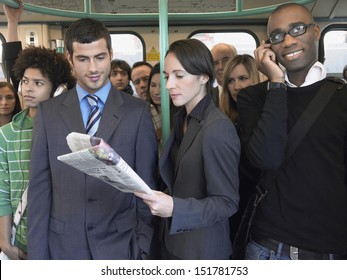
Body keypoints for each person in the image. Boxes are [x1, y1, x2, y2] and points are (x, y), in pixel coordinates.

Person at [27, 18, 158, 260]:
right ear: (69, 58)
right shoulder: (49, 113)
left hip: (122, 246)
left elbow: (147, 187)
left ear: (110, 54)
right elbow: (39, 191)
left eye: (99, 57)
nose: (93, 69)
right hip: (64, 246)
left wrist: (143, 249)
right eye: (83, 59)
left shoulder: (138, 112)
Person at [237, 3, 347, 260]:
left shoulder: (342, 97)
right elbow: (267, 157)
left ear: (316, 32)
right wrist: (275, 82)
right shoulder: (253, 98)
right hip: (268, 247)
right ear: (267, 47)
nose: (287, 41)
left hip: (330, 249)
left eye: (297, 29)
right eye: (277, 36)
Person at [135, 38, 240, 260]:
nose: (168, 85)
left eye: (179, 76)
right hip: (173, 242)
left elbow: (226, 203)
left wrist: (174, 208)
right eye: (166, 76)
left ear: (204, 77)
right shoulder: (182, 117)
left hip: (201, 250)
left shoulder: (217, 128)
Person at [0, 46, 76, 260]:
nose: (28, 89)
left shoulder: (69, 132)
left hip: (60, 239)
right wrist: (5, 243)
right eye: (25, 81)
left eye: (38, 83)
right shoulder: (6, 135)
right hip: (21, 237)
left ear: (58, 90)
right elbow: (2, 191)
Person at [219, 54, 261, 245]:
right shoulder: (227, 120)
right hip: (232, 203)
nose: (236, 87)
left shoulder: (265, 118)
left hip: (256, 206)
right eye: (231, 81)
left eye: (243, 78)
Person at [210, 43, 237, 107]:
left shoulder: (248, 93)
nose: (220, 67)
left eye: (226, 60)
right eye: (215, 63)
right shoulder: (206, 98)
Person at [146, 63, 162, 143]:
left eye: (162, 86)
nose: (156, 92)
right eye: (153, 85)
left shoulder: (180, 114)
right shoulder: (145, 111)